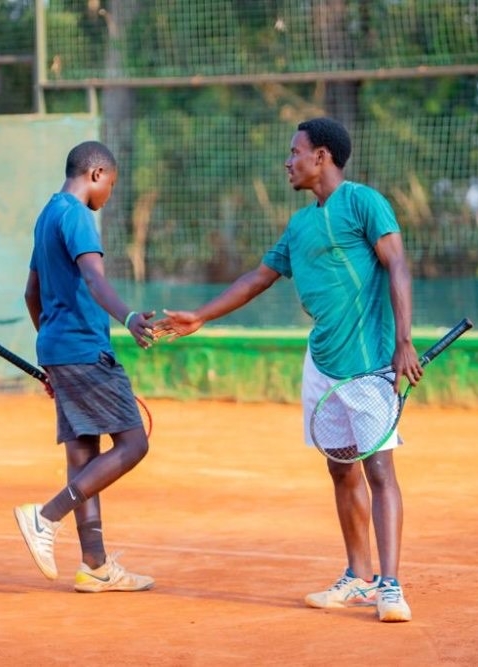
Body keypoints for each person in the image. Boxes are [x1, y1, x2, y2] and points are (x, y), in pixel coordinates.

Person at [154, 118, 423, 623]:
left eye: (295, 152)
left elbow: (398, 265)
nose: (288, 161)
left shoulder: (364, 202)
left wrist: (404, 341)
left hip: (368, 364)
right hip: (322, 362)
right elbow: (259, 277)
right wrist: (200, 316)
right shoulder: (299, 225)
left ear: (321, 157)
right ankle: (358, 578)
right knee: (340, 468)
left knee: (380, 470)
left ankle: (390, 585)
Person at [14, 140, 155, 593]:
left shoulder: (46, 215)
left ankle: (94, 565)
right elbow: (94, 277)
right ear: (96, 174)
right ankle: (45, 516)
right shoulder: (77, 215)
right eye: (110, 185)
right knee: (134, 444)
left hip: (58, 348)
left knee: (83, 455)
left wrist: (50, 355)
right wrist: (129, 316)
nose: (108, 194)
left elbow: (30, 294)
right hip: (85, 349)